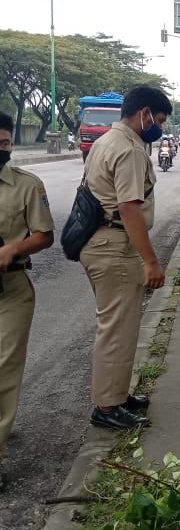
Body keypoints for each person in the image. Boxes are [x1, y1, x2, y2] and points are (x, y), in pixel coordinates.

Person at [80, 85, 171, 430]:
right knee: (117, 329)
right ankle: (106, 407)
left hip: (104, 244)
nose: (158, 126)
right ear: (144, 113)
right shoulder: (129, 149)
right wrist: (151, 261)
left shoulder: (106, 141)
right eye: (158, 119)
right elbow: (129, 207)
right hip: (114, 247)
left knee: (121, 326)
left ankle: (116, 394)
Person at [0, 110, 55, 490]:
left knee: (3, 370)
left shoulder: (26, 185)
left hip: (11, 290)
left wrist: (14, 248)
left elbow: (45, 234)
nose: (2, 149)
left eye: (5, 144)